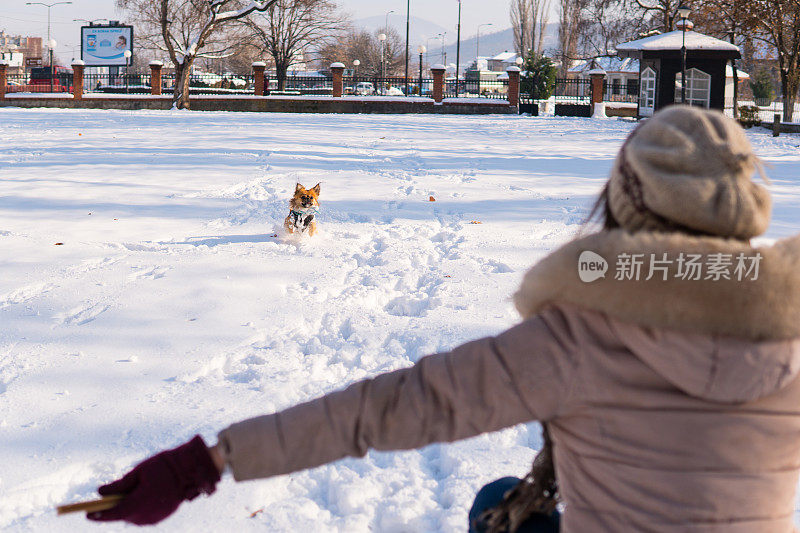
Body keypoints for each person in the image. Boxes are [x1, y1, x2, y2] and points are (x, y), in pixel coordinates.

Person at [86, 106, 800, 532]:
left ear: (623, 205)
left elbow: (382, 409)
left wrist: (206, 462)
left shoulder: (579, 340)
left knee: (497, 507)